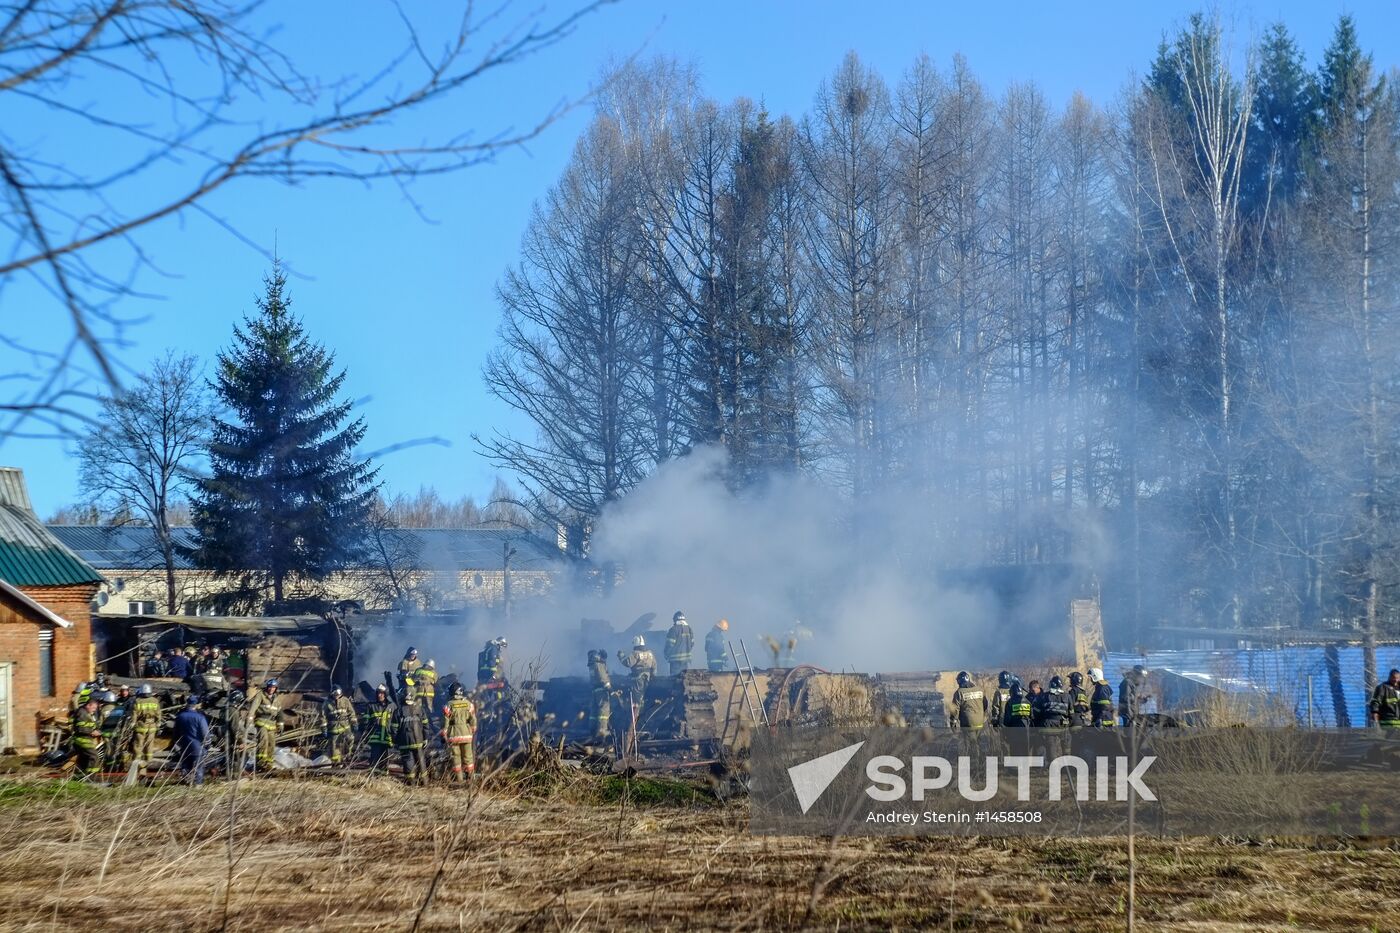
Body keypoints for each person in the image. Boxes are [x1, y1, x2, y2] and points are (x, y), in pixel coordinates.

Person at [245, 678, 284, 771]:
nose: (271, 689)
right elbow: (253, 708)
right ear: (267, 687)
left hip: (272, 724)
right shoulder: (260, 695)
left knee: (272, 743)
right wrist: (249, 720)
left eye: (273, 687)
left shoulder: (276, 699)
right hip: (261, 722)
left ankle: (269, 763)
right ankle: (261, 762)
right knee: (263, 741)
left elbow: (279, 713)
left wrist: (281, 725)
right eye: (270, 687)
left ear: (276, 688)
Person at [441, 682, 476, 782]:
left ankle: (459, 780)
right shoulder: (469, 704)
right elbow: (473, 720)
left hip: (454, 734)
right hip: (467, 734)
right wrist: (472, 730)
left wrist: (444, 734)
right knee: (468, 758)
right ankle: (471, 780)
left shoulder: (448, 705)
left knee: (456, 759)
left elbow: (445, 722)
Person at [172, 696, 210, 785]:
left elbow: (175, 733)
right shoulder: (200, 717)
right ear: (195, 705)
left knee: (185, 767)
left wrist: (178, 743)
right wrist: (208, 744)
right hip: (197, 746)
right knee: (198, 768)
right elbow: (205, 733)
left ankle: (186, 783)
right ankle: (197, 785)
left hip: (184, 746)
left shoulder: (180, 717)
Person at [394, 687, 428, 784]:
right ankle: (424, 782)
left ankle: (411, 783)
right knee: (421, 762)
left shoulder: (398, 711)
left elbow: (394, 729)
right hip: (418, 741)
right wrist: (425, 738)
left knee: (408, 762)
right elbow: (426, 725)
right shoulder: (420, 709)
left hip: (405, 742)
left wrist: (395, 741)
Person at [617, 635, 657, 710]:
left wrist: (621, 657)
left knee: (637, 697)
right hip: (647, 677)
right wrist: (653, 675)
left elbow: (628, 663)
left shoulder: (635, 653)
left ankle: (637, 714)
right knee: (644, 695)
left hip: (638, 678)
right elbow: (654, 665)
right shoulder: (650, 653)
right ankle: (641, 710)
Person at [70, 695, 105, 780]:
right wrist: (92, 732)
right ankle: (91, 778)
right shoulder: (82, 713)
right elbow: (80, 728)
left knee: (83, 760)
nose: (94, 710)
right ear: (88, 705)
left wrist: (97, 731)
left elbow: (91, 726)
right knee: (94, 757)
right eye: (93, 708)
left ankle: (78, 778)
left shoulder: (88, 713)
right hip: (83, 740)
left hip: (85, 739)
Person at [363, 685, 395, 772]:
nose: (379, 695)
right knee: (374, 760)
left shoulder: (392, 706)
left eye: (381, 693)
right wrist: (366, 734)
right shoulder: (371, 706)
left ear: (386, 694)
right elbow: (366, 722)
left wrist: (395, 736)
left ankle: (383, 777)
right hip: (375, 738)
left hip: (387, 738)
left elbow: (395, 722)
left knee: (385, 760)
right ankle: (374, 777)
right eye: (378, 693)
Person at [129, 684, 161, 767]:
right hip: (152, 725)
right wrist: (158, 722)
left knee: (138, 744)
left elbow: (135, 713)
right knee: (149, 744)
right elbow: (158, 713)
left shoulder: (138, 701)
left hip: (141, 725)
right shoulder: (155, 700)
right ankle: (149, 762)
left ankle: (137, 761)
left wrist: (133, 722)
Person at [322, 686, 357, 764]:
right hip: (334, 729)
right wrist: (324, 728)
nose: (337, 695)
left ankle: (347, 757)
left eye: (338, 693)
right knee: (334, 749)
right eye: (335, 693)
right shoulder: (327, 703)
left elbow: (351, 713)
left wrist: (354, 723)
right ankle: (336, 764)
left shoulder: (345, 700)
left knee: (350, 739)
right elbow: (323, 717)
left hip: (345, 727)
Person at [587, 649, 614, 742]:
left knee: (594, 713)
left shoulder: (592, 664)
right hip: (602, 691)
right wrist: (610, 689)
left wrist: (604, 659)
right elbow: (603, 678)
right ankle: (601, 733)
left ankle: (593, 731)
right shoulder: (599, 664)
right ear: (596, 655)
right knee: (603, 712)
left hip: (595, 691)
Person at [663, 611, 693, 676]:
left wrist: (666, 655)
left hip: (675, 661)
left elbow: (669, 645)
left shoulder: (673, 629)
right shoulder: (689, 629)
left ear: (675, 619)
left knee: (674, 679)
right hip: (685, 661)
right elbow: (692, 643)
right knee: (684, 679)